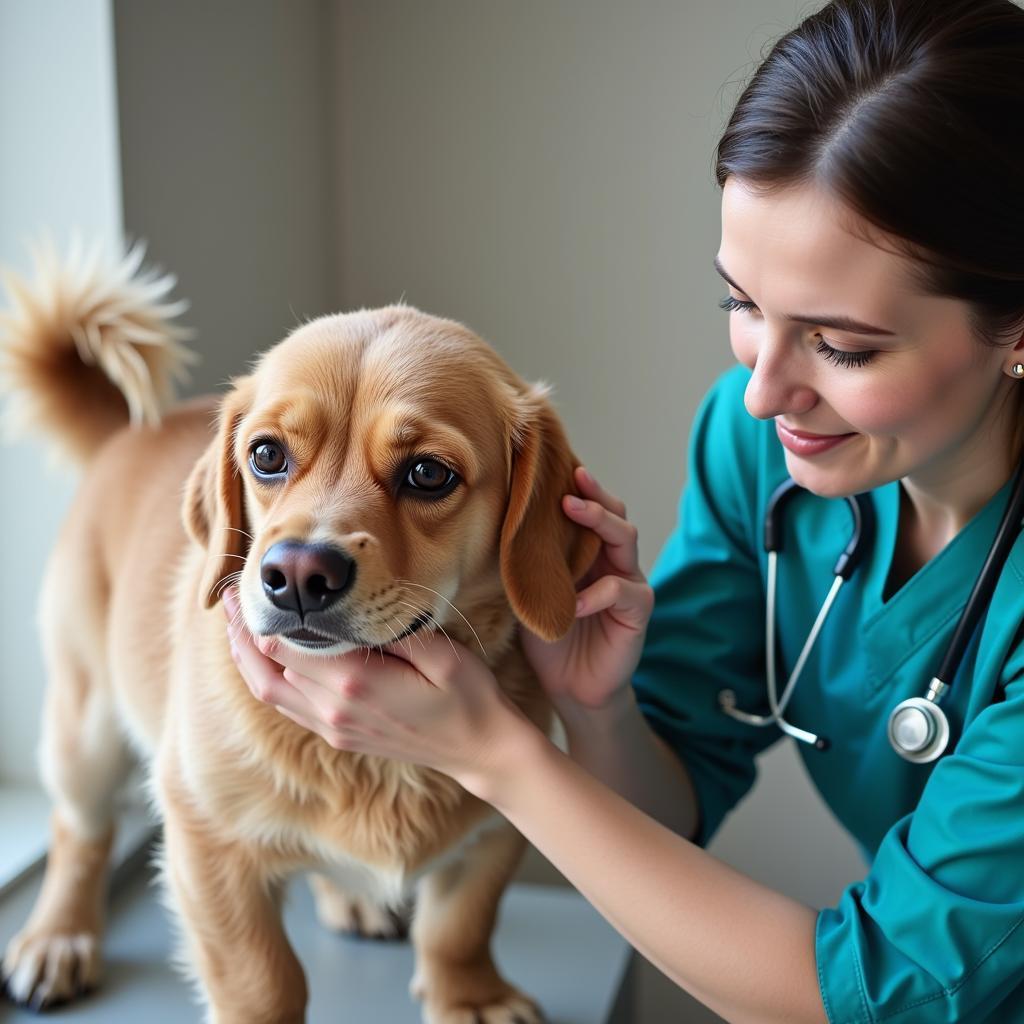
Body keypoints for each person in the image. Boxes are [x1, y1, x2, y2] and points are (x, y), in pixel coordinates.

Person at [223, 1, 1024, 1020]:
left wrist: (494, 756)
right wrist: (595, 706)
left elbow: (867, 996)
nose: (763, 389)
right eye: (741, 304)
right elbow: (666, 806)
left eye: (842, 344)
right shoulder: (762, 456)